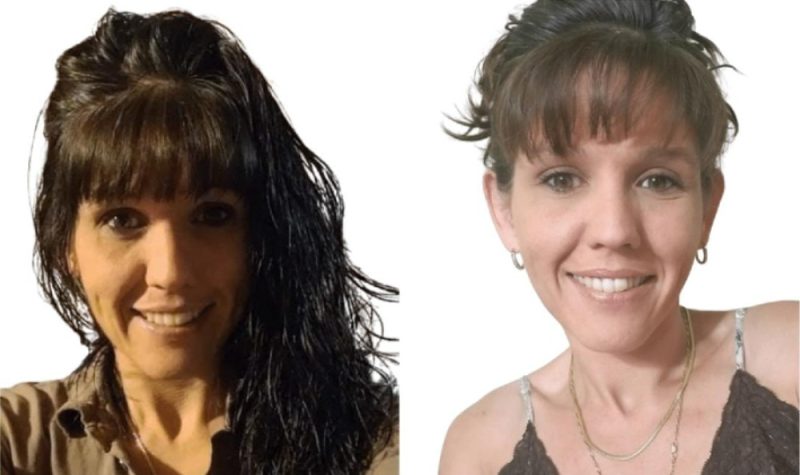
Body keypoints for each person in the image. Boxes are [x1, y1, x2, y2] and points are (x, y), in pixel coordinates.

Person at [0, 9, 397, 475]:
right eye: (122, 219)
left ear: (261, 233)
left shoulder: (375, 443)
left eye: (212, 215)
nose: (170, 271)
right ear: (64, 242)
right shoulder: (18, 442)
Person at [439, 0, 798, 474]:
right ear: (503, 210)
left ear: (707, 206)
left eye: (657, 180)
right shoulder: (482, 449)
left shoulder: (787, 360)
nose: (614, 231)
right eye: (562, 179)